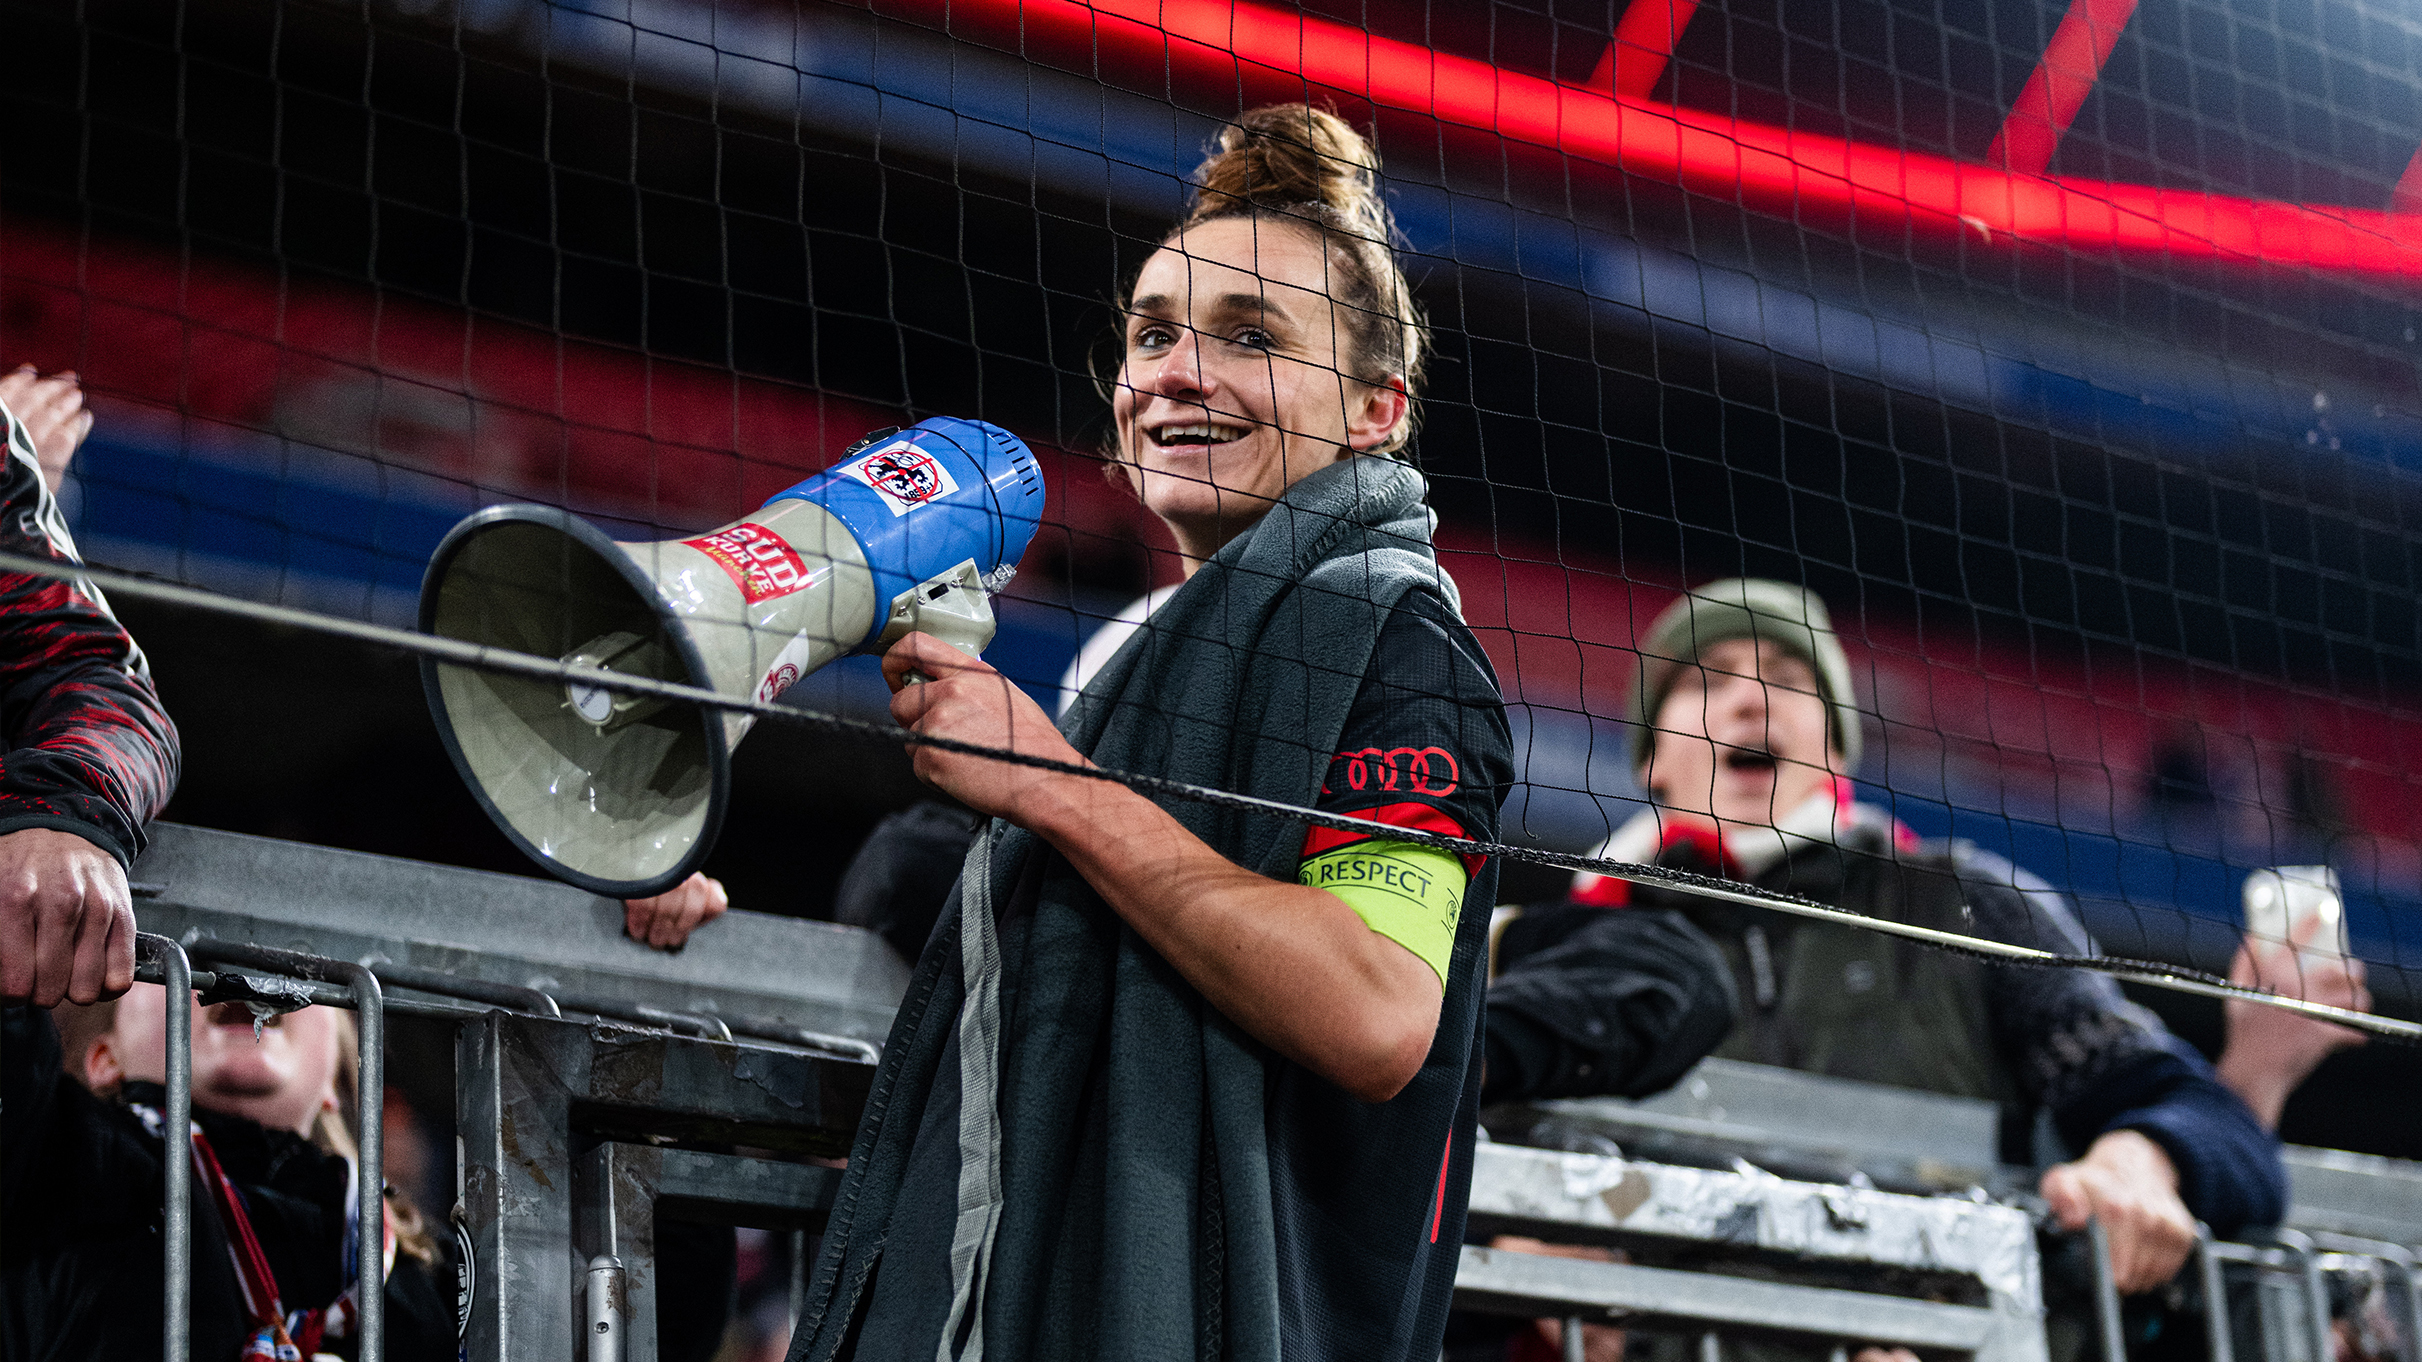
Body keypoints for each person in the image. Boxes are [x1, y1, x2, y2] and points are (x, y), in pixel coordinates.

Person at [788, 106, 1516, 1361]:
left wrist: (1051, 785)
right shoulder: (1142, 660)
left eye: (1250, 337)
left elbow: (1377, 1008)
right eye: (1154, 334)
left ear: (1375, 410)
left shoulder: (1397, 642)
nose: (1179, 372)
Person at [1560, 580, 2282, 1309]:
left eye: (1788, 680)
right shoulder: (1574, 949)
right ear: (1651, 756)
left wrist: (2143, 1159)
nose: (1753, 702)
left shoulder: (1964, 903)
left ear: (1838, 747)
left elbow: (2197, 1110)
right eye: (1709, 680)